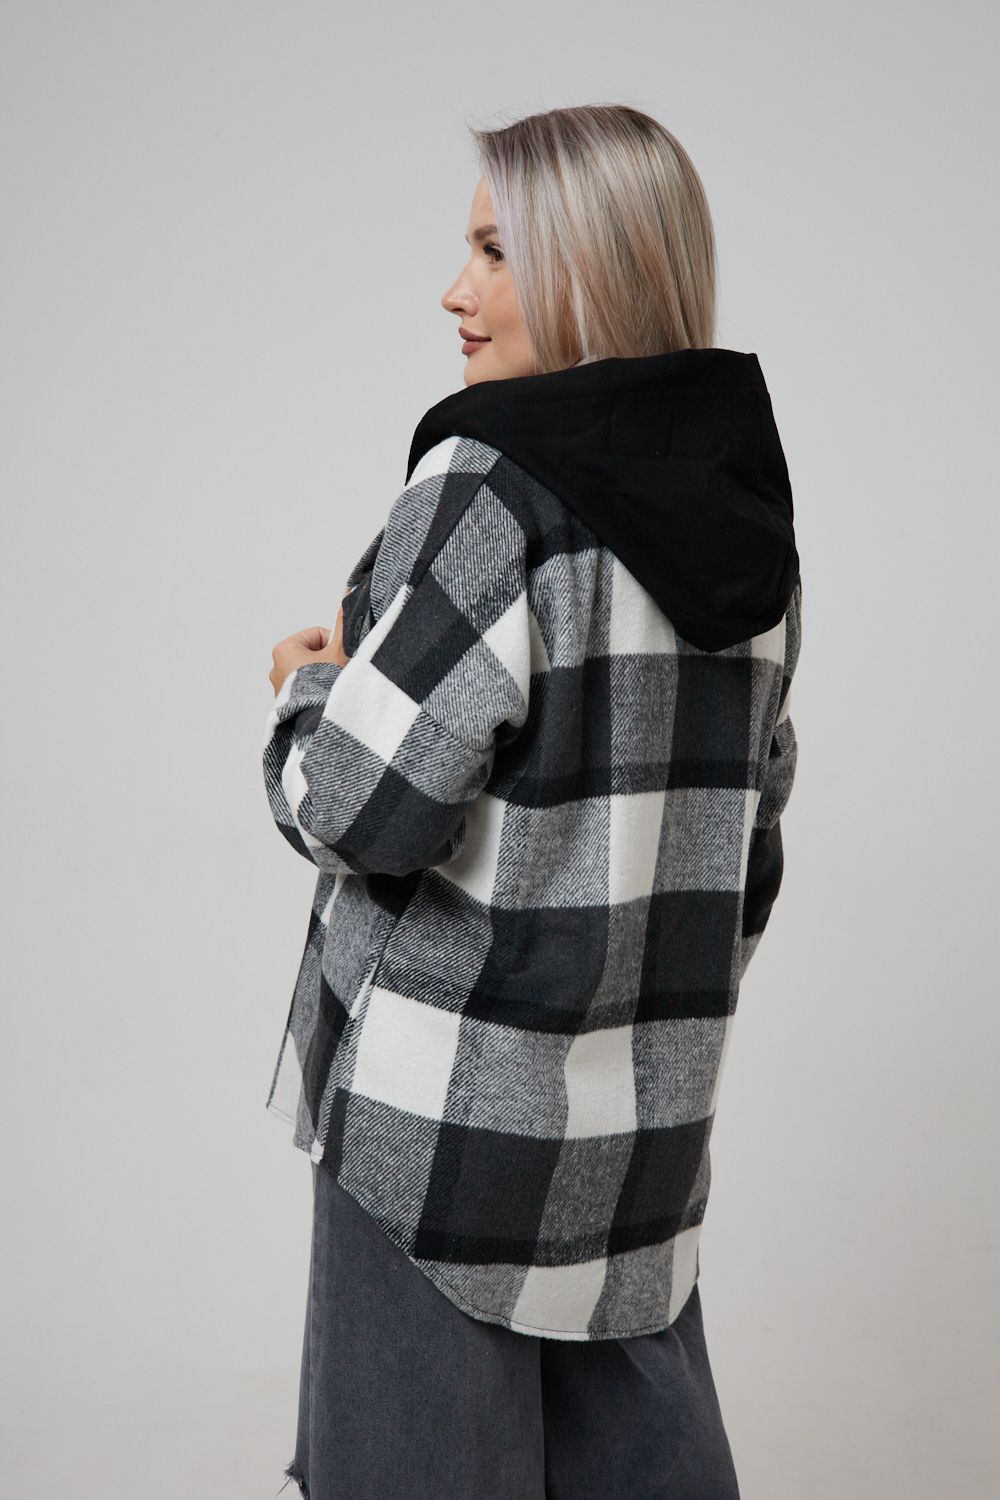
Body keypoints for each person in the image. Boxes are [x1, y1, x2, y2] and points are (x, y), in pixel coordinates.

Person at [264, 102, 801, 1500]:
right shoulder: (747, 527)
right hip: (640, 1153)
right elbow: (745, 864)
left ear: (588, 268)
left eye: (497, 252)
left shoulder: (490, 494)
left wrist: (309, 692)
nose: (456, 292)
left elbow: (357, 811)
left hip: (436, 1151)